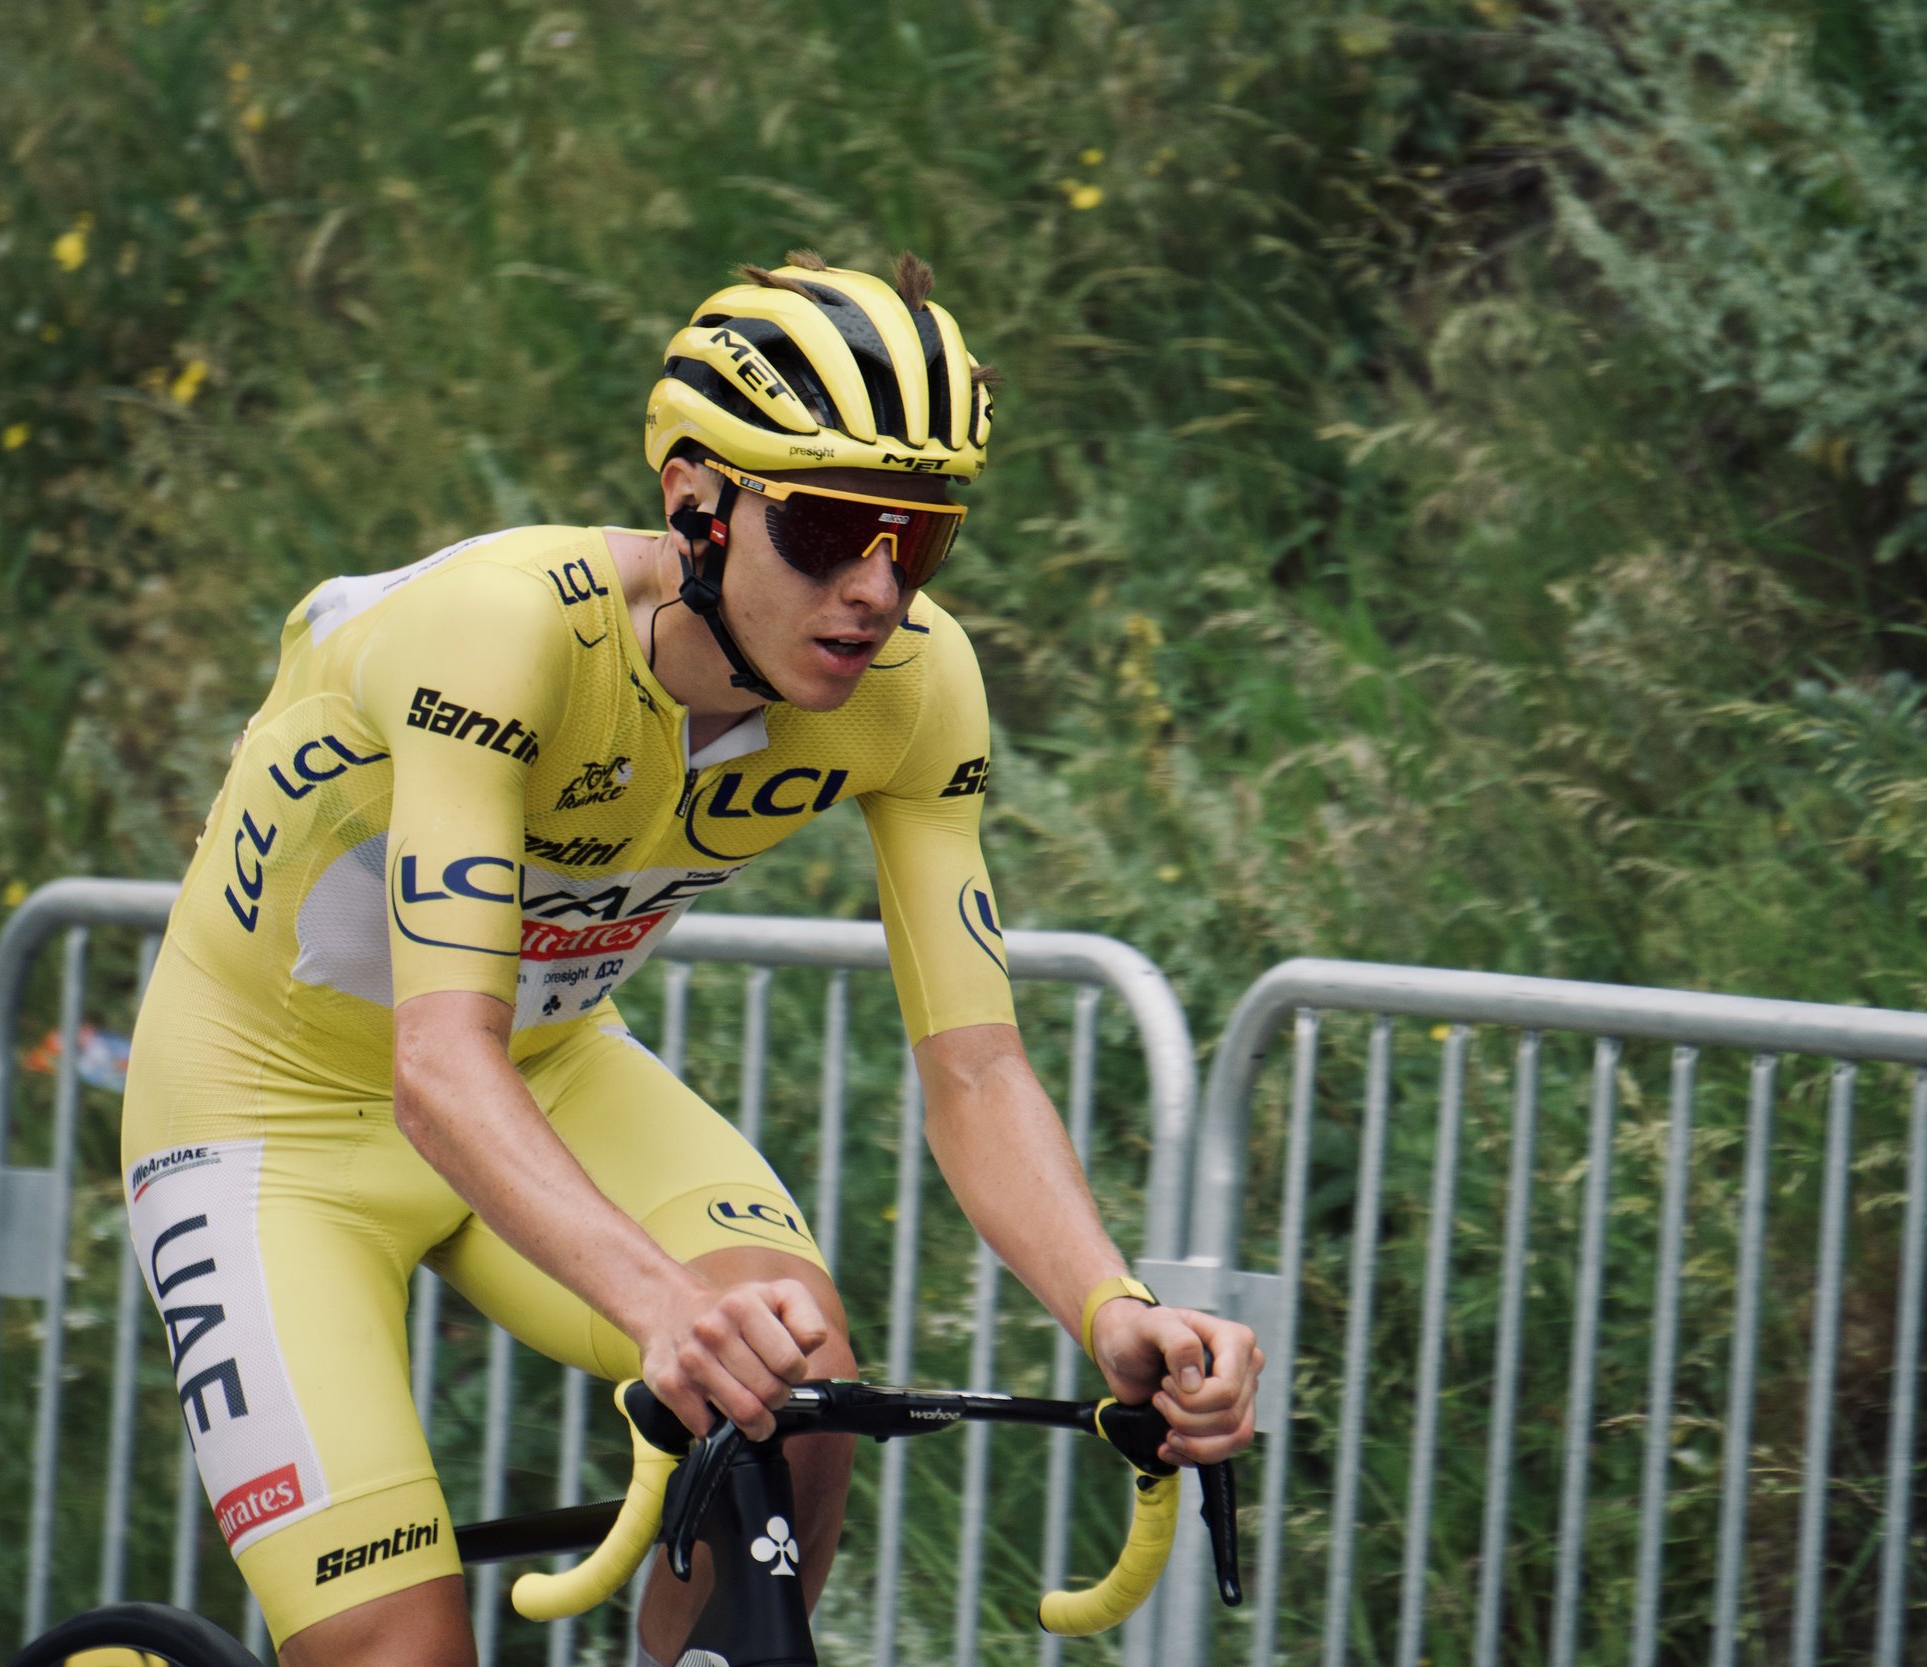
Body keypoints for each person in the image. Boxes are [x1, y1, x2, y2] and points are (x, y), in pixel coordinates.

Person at [118, 251, 1263, 1667]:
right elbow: (436, 1064)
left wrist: (1113, 1306)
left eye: (923, 540)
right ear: (694, 505)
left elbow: (975, 1066)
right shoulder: (504, 635)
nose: (876, 591)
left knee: (796, 1380)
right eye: (834, 527)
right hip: (262, 1118)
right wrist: (664, 1306)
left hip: (543, 1070)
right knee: (402, 1651)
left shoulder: (915, 694)